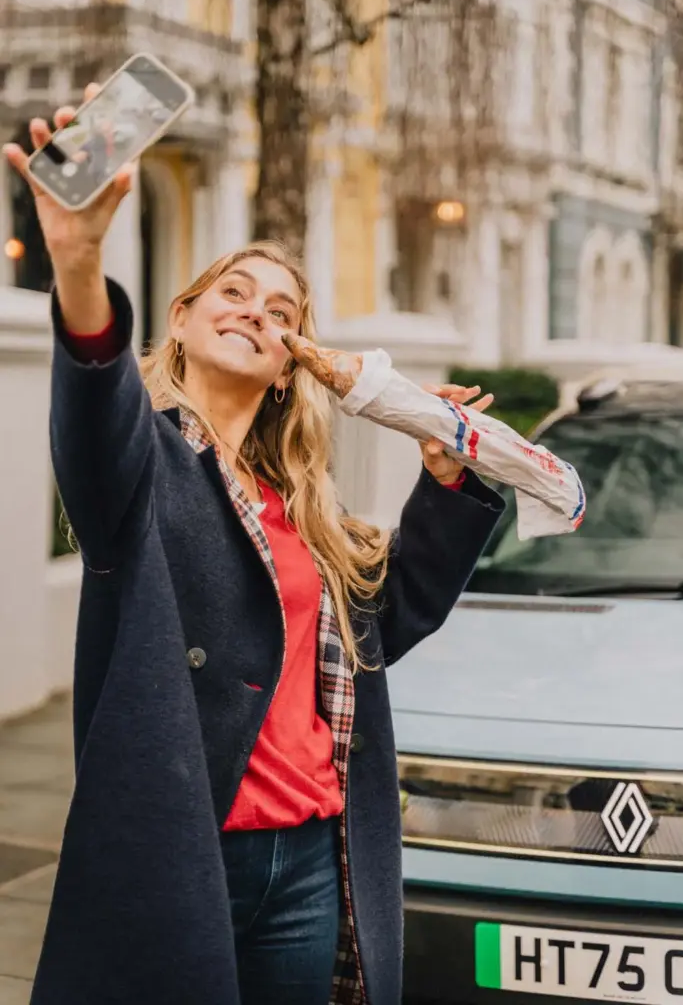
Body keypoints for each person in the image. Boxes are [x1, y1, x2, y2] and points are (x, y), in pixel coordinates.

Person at [4, 85, 504, 1005]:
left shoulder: (300, 507)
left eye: (281, 311)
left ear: (289, 368)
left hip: (314, 856)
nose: (255, 313)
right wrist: (76, 265)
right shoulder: (142, 464)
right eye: (233, 293)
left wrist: (448, 484)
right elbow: (95, 410)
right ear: (185, 320)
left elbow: (388, 625)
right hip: (185, 855)